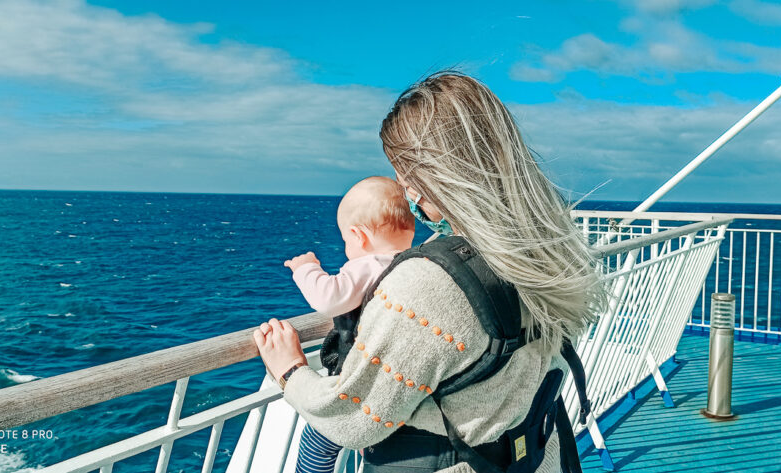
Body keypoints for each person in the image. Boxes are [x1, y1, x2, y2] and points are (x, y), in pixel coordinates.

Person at [254, 72, 603, 473]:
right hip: (534, 457)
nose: (405, 192)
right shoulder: (544, 251)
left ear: (435, 176)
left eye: (404, 178)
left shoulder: (425, 283)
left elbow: (354, 420)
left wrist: (290, 371)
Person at [283, 176, 416, 473]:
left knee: (318, 441)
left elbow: (328, 297)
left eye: (346, 240)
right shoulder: (413, 263)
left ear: (358, 236)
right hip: (395, 378)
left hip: (361, 382)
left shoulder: (369, 265)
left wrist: (306, 268)